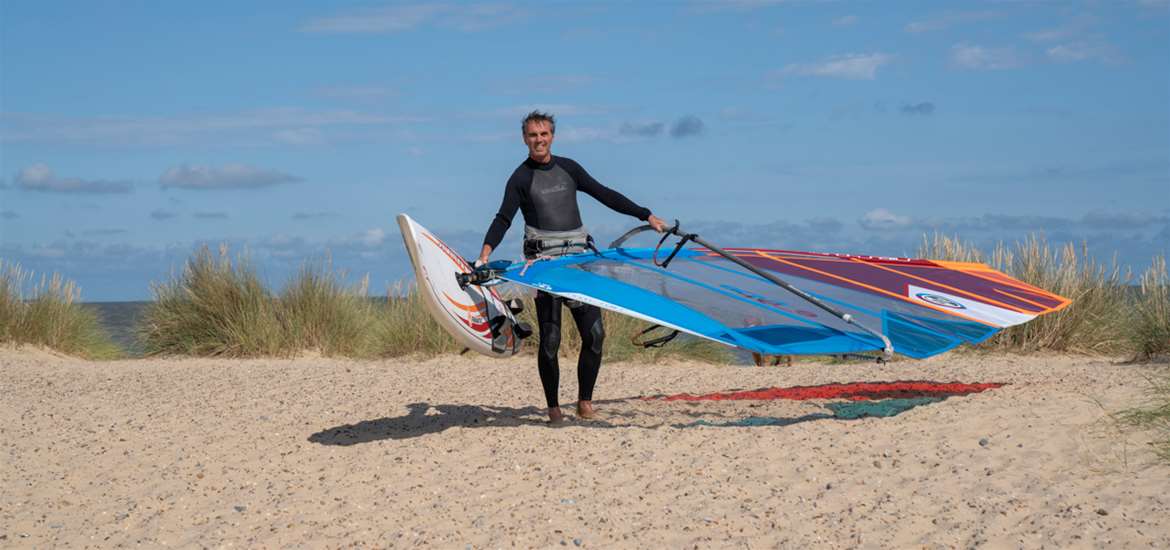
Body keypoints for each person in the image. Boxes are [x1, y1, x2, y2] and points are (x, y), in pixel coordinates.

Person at [478, 110, 667, 424]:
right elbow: (503, 218)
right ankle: (553, 408)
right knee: (551, 341)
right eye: (533, 135)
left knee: (595, 335)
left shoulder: (569, 168)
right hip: (545, 268)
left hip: (578, 265)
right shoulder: (520, 178)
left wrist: (644, 214)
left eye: (544, 134)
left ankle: (584, 402)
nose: (539, 140)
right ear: (524, 138)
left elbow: (604, 194)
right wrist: (485, 254)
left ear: (552, 135)